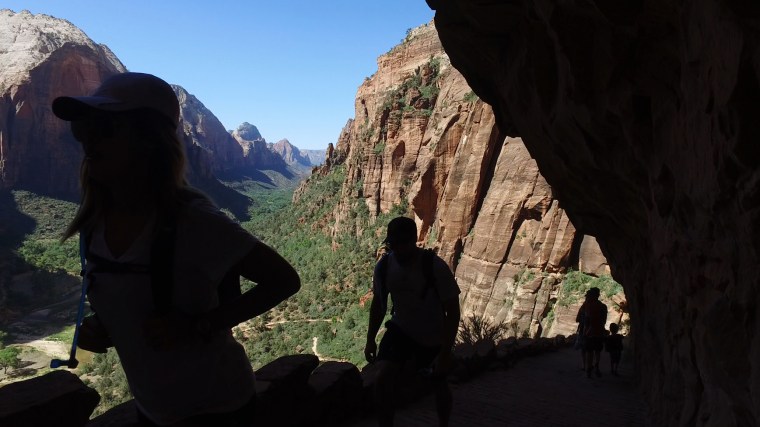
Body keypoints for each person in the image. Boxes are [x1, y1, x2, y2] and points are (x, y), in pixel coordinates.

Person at [52, 72, 301, 426]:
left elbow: (284, 281)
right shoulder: (93, 223)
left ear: (147, 140)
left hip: (217, 409)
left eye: (106, 129)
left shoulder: (194, 221)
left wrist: (198, 326)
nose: (89, 142)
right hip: (153, 410)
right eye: (84, 130)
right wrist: (106, 325)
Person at [364, 217, 461, 427]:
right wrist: (370, 339)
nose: (398, 249)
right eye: (393, 244)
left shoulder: (434, 266)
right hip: (401, 329)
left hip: (433, 334)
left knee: (439, 384)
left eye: (403, 243)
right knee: (381, 379)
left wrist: (445, 351)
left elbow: (453, 311)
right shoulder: (384, 266)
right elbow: (379, 304)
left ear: (414, 240)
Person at [576, 287, 607, 378]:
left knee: (588, 351)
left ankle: (587, 369)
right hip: (599, 332)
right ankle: (596, 366)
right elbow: (604, 321)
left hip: (588, 332)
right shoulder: (603, 306)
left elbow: (578, 319)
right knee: (597, 351)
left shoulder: (586, 306)